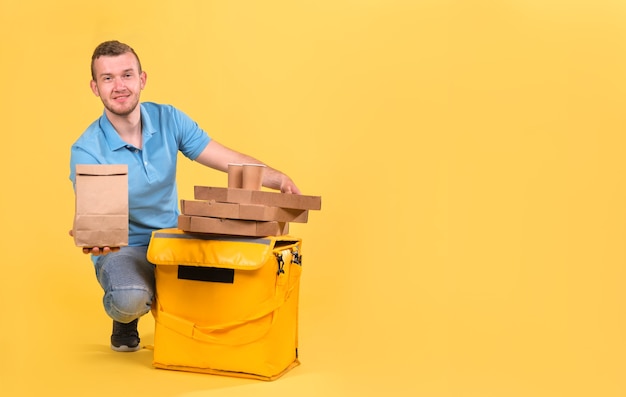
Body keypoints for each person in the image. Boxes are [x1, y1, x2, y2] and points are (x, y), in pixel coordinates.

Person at [69, 40, 301, 352]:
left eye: (126, 75)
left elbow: (225, 158)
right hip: (125, 246)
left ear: (142, 79)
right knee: (129, 298)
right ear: (95, 87)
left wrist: (277, 178)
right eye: (107, 78)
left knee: (228, 275)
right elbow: (94, 213)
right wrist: (92, 233)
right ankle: (126, 319)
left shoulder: (169, 120)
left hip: (174, 238)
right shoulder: (87, 148)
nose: (119, 86)